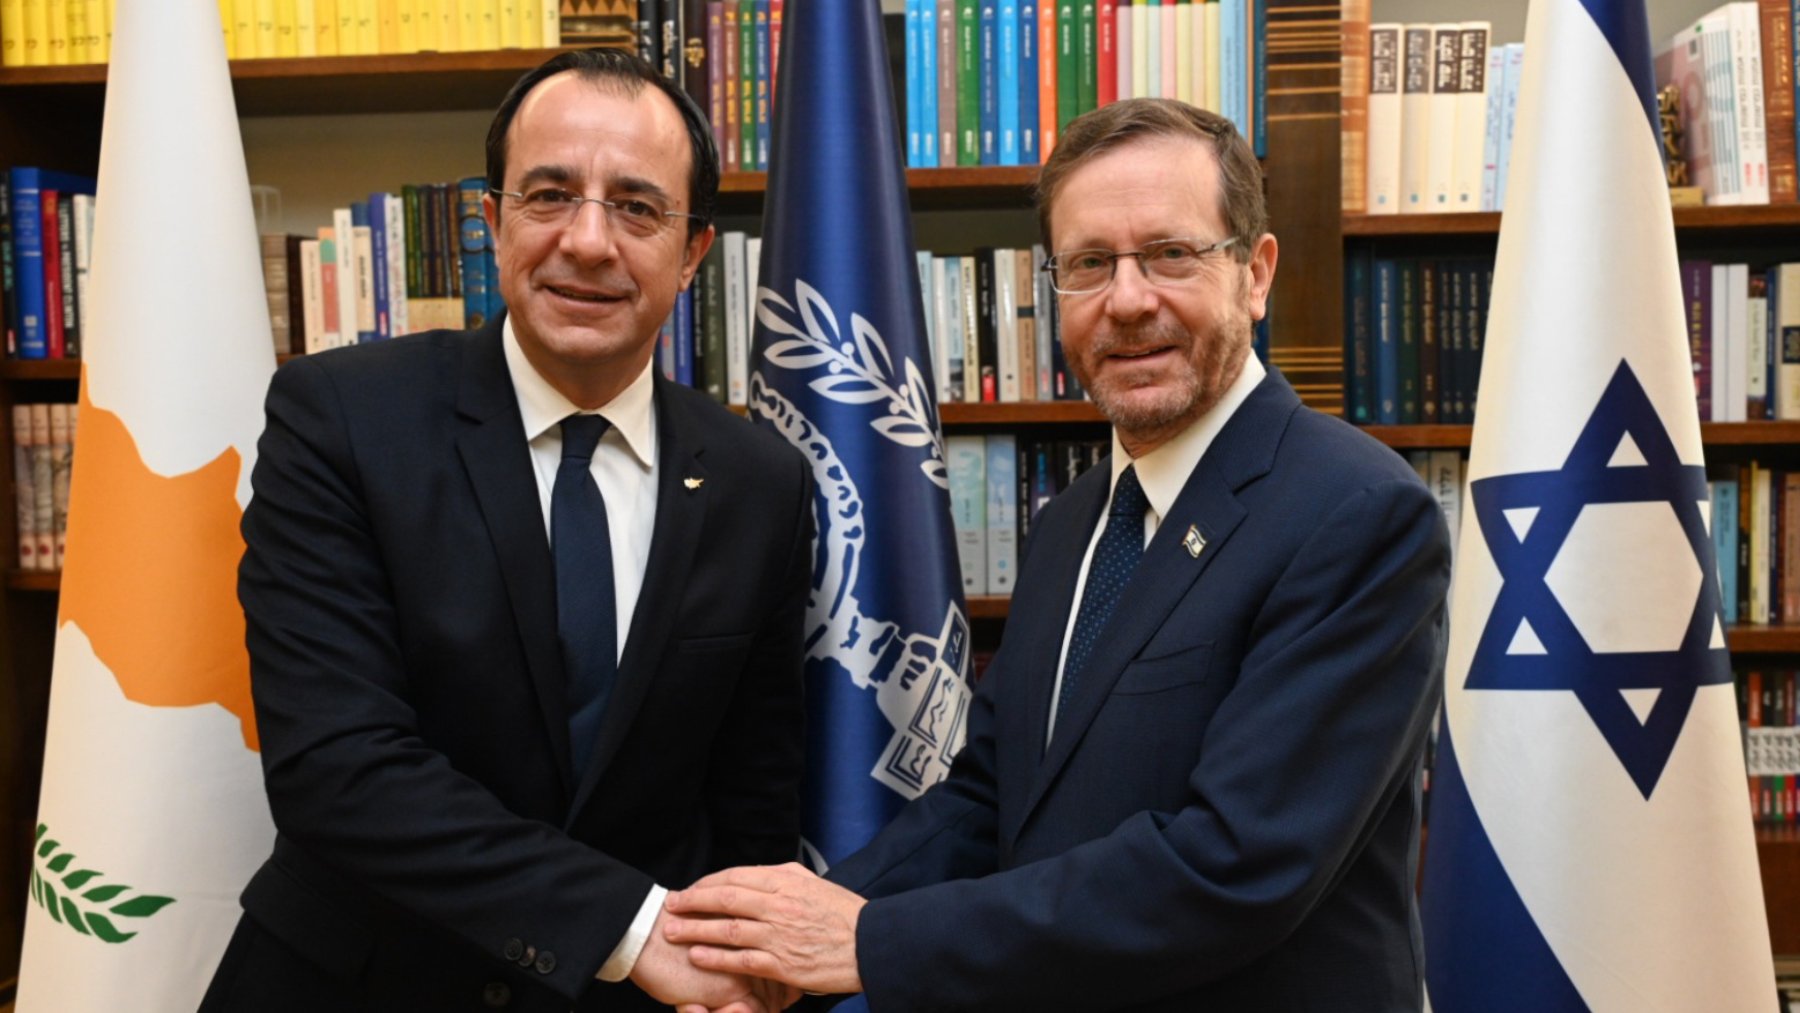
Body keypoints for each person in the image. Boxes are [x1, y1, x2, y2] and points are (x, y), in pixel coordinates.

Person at [661, 98, 1452, 1011]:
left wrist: (867, 942)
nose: (1128, 300)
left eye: (1170, 253)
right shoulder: (1077, 519)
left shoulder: (1357, 515)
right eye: (1089, 264)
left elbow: (1234, 867)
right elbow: (991, 795)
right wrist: (790, 938)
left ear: (1255, 273)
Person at [201, 49, 811, 1013]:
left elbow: (753, 797)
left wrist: (742, 976)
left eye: (639, 207)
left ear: (693, 253)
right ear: (490, 221)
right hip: (358, 987)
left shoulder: (760, 482)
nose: (589, 241)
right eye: (549, 195)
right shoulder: (341, 419)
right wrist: (631, 927)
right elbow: (336, 768)